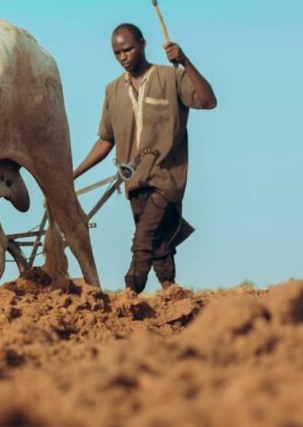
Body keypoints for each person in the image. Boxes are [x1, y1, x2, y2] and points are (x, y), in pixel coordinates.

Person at [73, 23, 217, 293]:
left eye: (127, 49)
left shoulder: (171, 77)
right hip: (134, 183)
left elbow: (208, 101)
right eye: (116, 53)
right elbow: (106, 140)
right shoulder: (113, 90)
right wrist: (72, 175)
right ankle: (171, 291)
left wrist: (184, 61)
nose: (122, 57)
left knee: (143, 240)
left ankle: (130, 290)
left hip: (167, 178)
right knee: (159, 245)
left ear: (142, 44)